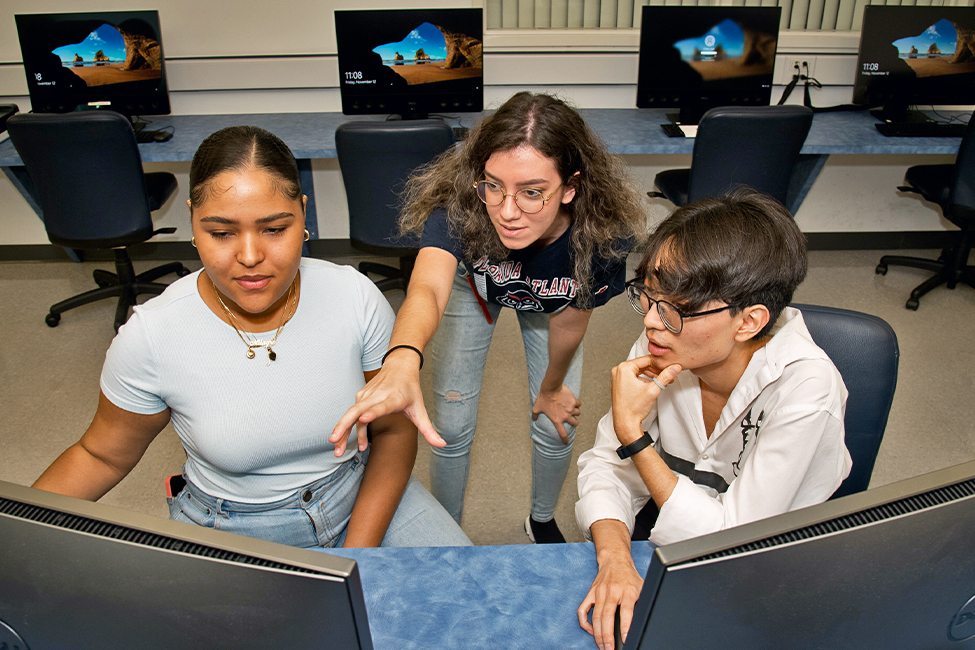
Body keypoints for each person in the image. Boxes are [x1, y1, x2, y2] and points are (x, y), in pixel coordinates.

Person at [32, 125, 470, 549]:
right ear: (192, 223)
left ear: (303, 214)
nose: (249, 257)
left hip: (361, 496)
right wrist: (16, 533)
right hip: (234, 526)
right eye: (221, 233)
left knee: (479, 604)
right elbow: (100, 456)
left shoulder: (354, 296)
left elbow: (393, 432)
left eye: (275, 229)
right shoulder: (152, 334)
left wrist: (358, 552)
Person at [331, 92, 647, 543]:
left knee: (557, 425)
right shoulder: (464, 202)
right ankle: (446, 530)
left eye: (533, 192)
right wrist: (402, 357)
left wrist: (552, 387)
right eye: (493, 185)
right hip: (472, 286)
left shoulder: (602, 235)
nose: (507, 210)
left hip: (551, 304)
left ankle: (540, 519)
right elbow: (426, 287)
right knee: (451, 425)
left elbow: (571, 319)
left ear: (571, 187)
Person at [575, 189, 852, 648]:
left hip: (768, 566)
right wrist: (614, 560)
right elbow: (606, 466)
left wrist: (635, 439)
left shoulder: (807, 388)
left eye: (679, 309)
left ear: (748, 321)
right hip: (671, 530)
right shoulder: (662, 344)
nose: (651, 323)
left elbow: (733, 546)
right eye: (649, 295)